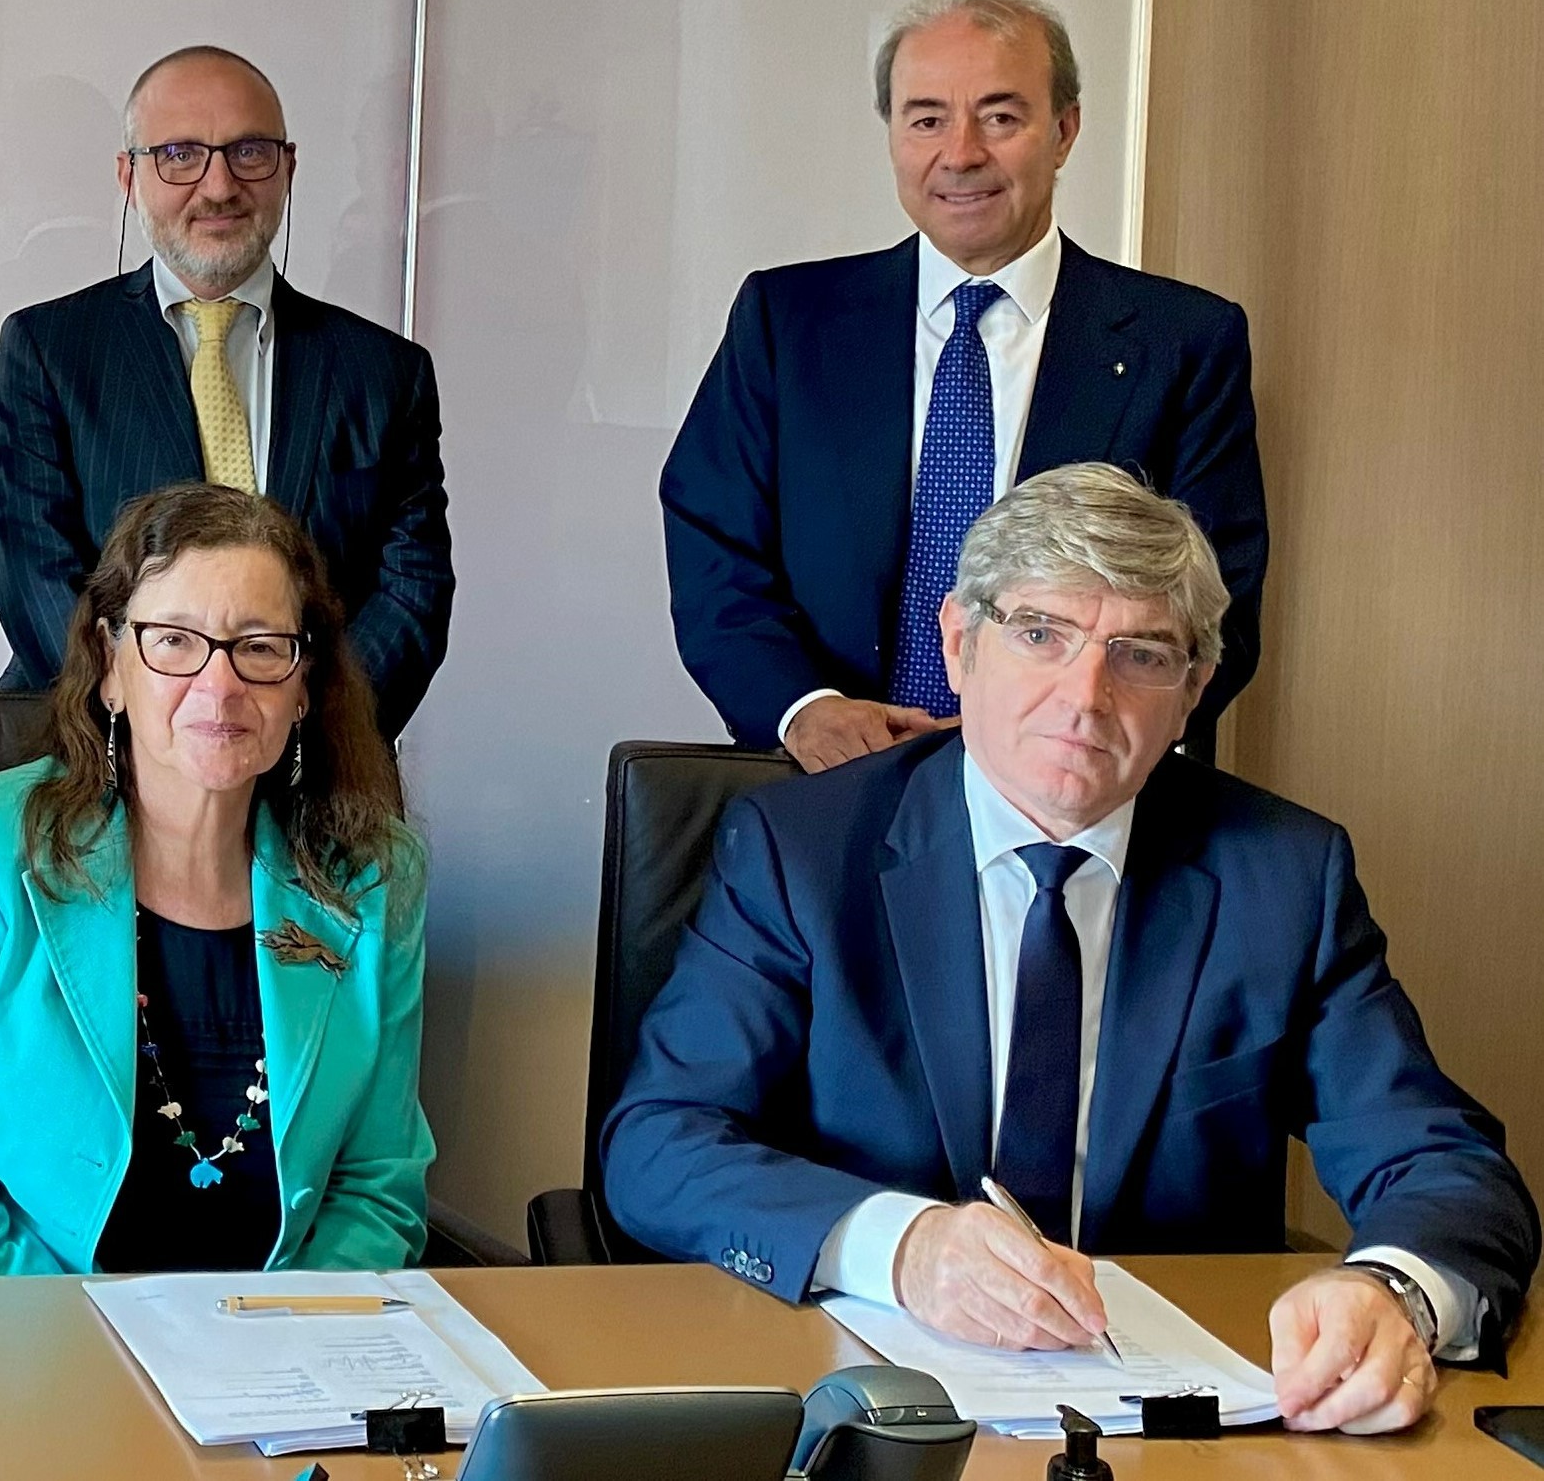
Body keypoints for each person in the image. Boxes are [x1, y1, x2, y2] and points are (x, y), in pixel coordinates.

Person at [604, 465, 1535, 1435]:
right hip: (865, 1404)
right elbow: (659, 1140)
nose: (1085, 696)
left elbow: (1440, 1162)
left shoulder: (1284, 876)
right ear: (959, 644)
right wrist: (900, 1247)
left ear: (1192, 691)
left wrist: (1394, 1290)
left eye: (1140, 654)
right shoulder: (801, 850)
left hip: (1177, 1423)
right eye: (1040, 634)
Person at [660, 0, 1266, 769]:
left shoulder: (1183, 342)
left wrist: (1060, 739)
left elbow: (1215, 602)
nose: (961, 153)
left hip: (1078, 783)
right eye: (927, 119)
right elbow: (714, 549)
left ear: (1064, 131)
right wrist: (804, 711)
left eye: (1000, 117)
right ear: (892, 135)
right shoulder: (786, 322)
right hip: (825, 780)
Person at [0, 483, 431, 1274]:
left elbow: (377, 1188)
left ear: (304, 684)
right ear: (110, 666)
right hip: (43, 1332)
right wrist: (89, 1341)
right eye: (173, 640)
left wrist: (283, 1331)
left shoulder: (375, 874)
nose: (220, 685)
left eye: (260, 646)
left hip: (287, 1335)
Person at [0, 46, 452, 739]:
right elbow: (38, 584)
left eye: (249, 152)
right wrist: (161, 739)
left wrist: (296, 726)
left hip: (318, 759)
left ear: (288, 168)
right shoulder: (48, 352)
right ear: (129, 176)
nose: (219, 185)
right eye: (180, 155)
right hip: (97, 757)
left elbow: (412, 593)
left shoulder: (384, 372)